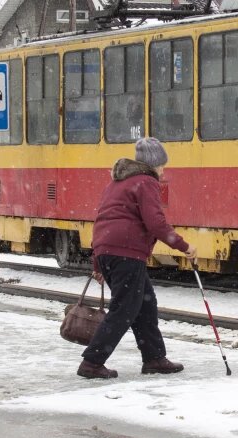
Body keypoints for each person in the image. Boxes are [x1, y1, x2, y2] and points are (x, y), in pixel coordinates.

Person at [78, 137, 198, 379]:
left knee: (144, 304)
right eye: (162, 165)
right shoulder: (146, 182)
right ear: (153, 164)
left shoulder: (117, 183)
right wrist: (183, 246)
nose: (164, 170)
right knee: (124, 309)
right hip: (125, 253)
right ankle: (92, 362)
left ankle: (154, 358)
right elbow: (156, 223)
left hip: (110, 250)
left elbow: (103, 220)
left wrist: (97, 262)